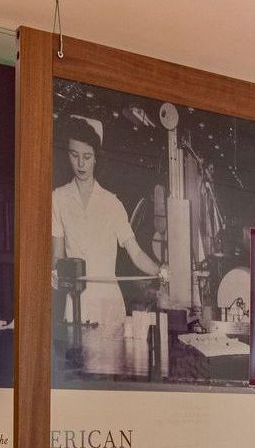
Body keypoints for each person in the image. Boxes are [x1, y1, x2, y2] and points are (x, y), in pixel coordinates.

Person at [51, 116, 163, 375]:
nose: (80, 164)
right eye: (74, 155)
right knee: (76, 379)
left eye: (87, 157)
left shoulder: (112, 203)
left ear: (96, 158)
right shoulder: (57, 199)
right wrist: (55, 273)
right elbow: (57, 255)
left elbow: (134, 252)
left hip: (110, 304)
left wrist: (160, 270)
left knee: (108, 378)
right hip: (75, 304)